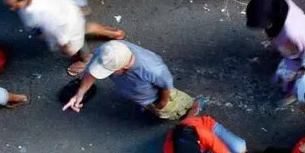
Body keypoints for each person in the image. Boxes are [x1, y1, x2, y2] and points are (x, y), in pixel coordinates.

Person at [0, 0, 124, 76]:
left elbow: (62, 38)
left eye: (14, 5)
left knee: (78, 46)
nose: (12, 9)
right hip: (69, 10)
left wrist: (67, 50)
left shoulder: (43, 14)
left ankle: (85, 59)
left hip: (66, 29)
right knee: (83, 26)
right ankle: (112, 33)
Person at [62, 40, 201, 120]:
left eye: (110, 72)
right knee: (150, 108)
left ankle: (195, 106)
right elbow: (92, 73)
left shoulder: (152, 68)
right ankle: (148, 106)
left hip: (156, 98)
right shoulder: (109, 50)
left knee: (172, 109)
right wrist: (80, 93)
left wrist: (162, 103)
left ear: (127, 65)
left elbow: (165, 87)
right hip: (140, 97)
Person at [246, 0, 305, 101]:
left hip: (302, 46)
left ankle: (295, 91)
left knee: (287, 75)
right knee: (285, 71)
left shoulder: (294, 33)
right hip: (297, 38)